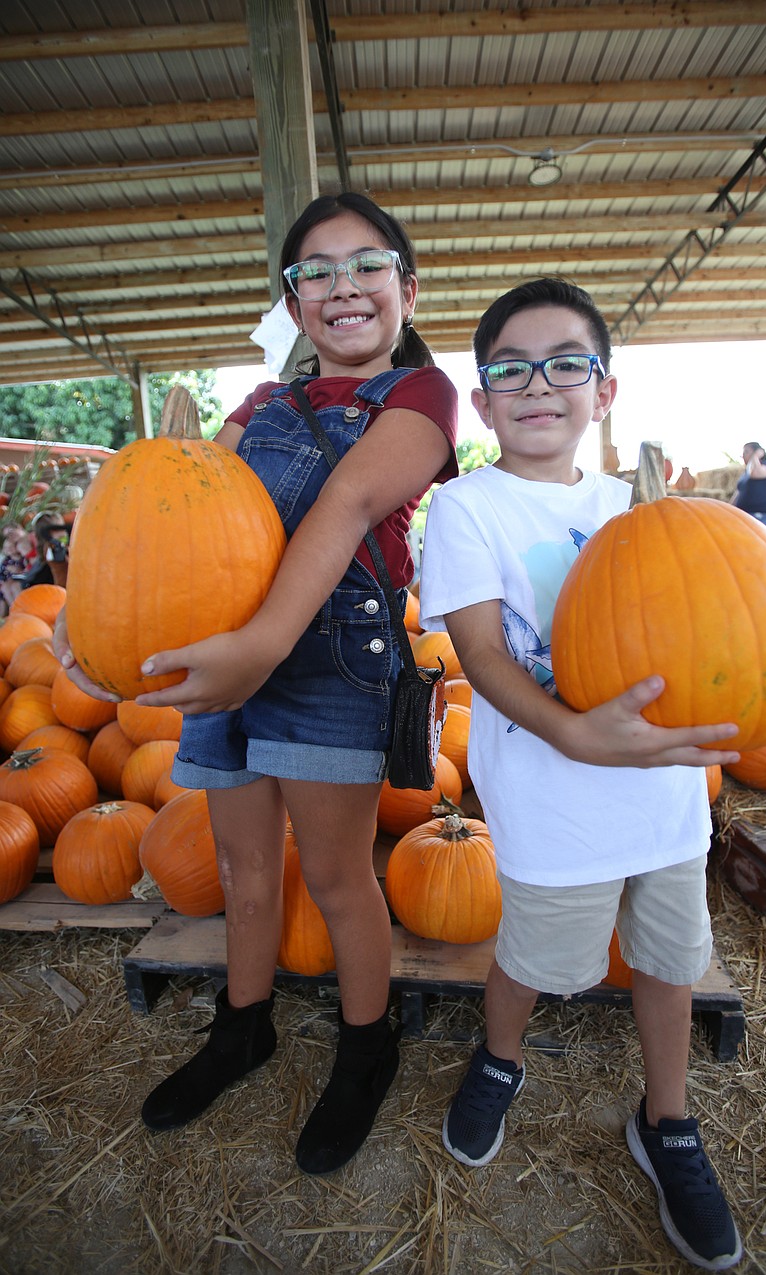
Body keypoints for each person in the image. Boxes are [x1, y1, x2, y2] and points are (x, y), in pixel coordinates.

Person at [55, 192, 458, 1175]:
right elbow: (168, 514)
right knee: (239, 870)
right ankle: (244, 1027)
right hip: (232, 659)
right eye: (315, 271)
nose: (342, 286)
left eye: (367, 265)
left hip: (325, 665)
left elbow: (352, 499)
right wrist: (83, 618)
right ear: (292, 301)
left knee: (333, 878)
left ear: (406, 287)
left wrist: (263, 644)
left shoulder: (422, 398)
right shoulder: (257, 408)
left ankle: (366, 1049)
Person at [417, 278, 747, 1271]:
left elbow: (711, 626)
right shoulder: (467, 507)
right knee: (534, 958)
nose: (538, 384)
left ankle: (668, 1122)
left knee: (666, 962)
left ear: (603, 390)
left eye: (566, 362)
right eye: (509, 369)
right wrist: (575, 734)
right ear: (482, 404)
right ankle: (499, 1057)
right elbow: (482, 659)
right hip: (553, 801)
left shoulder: (642, 511)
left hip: (663, 803)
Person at [731, 441, 766, 532]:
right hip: (745, 515)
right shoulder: (746, 473)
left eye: (746, 452)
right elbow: (738, 492)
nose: (743, 455)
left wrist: (756, 455)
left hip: (763, 515)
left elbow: (755, 473)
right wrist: (729, 509)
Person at [0, 521, 37, 613]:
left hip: (35, 574)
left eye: (11, 532)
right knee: (5, 587)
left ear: (19, 528)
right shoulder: (15, 551)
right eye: (8, 536)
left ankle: (23, 613)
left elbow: (34, 563)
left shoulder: (29, 539)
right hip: (25, 575)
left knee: (14, 586)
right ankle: (15, 613)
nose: (11, 537)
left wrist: (20, 570)